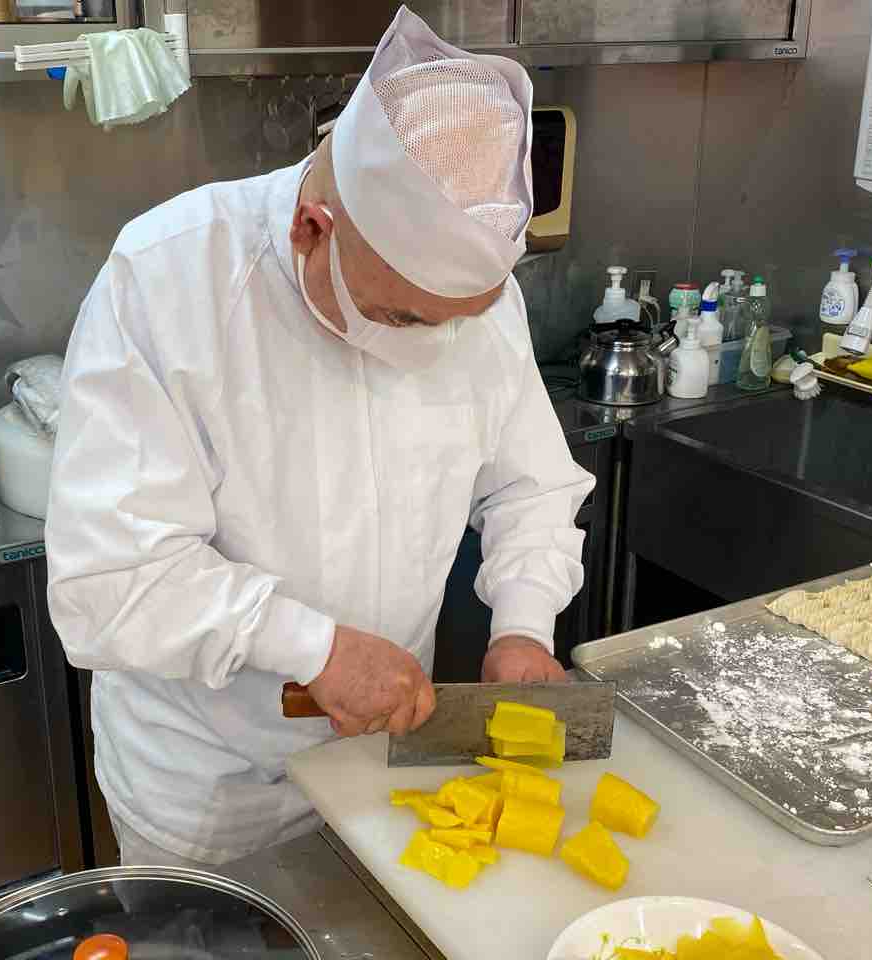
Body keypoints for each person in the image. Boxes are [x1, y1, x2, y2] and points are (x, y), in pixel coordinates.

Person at [46, 6, 595, 867]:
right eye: (404, 318)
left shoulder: (472, 305)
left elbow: (531, 485)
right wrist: (315, 648)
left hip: (379, 764)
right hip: (210, 788)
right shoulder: (167, 279)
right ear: (312, 227)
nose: (435, 347)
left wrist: (523, 626)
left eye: (458, 320)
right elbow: (114, 578)